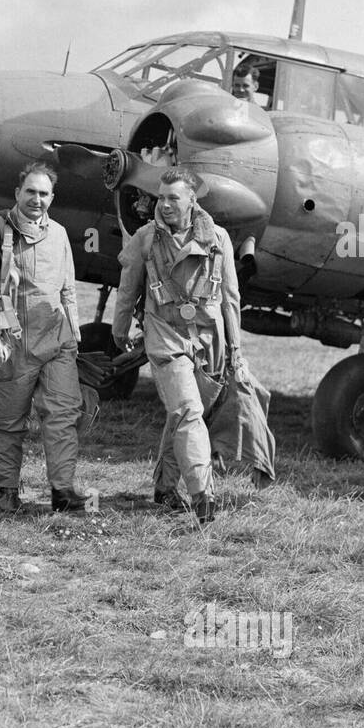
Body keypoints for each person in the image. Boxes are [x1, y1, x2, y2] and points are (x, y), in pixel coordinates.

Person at [112, 167, 254, 524]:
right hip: (164, 336)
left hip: (208, 341)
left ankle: (164, 487)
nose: (165, 204)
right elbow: (128, 287)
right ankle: (203, 495)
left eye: (173, 197)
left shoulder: (218, 238)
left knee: (187, 413)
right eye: (161, 197)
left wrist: (236, 350)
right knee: (188, 410)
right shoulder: (146, 238)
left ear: (193, 200)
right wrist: (119, 331)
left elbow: (230, 299)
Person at [0, 162, 87, 513]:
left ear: (52, 197)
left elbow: (68, 290)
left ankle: (62, 491)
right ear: (17, 193)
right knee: (7, 422)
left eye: (44, 193)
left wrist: (74, 337)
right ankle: (6, 490)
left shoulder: (60, 234)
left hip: (56, 341)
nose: (37, 199)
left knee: (63, 415)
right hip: (9, 345)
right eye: (30, 191)